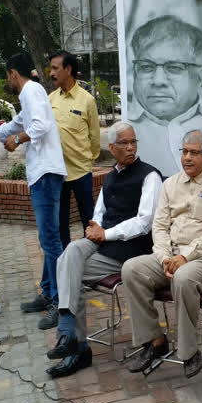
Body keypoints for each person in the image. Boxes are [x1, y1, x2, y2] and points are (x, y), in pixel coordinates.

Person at [46, 122, 162, 378]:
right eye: (124, 143)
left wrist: (105, 233)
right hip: (104, 245)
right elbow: (100, 212)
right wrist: (94, 227)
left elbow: (145, 223)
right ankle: (71, 338)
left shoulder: (150, 176)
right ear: (111, 148)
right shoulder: (110, 176)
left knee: (68, 270)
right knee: (71, 253)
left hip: (131, 252)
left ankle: (75, 345)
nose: (131, 147)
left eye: (133, 142)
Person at [123, 129, 202, 378]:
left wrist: (186, 257)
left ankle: (189, 351)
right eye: (184, 152)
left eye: (194, 153)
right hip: (170, 256)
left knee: (183, 279)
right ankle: (154, 341)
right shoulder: (170, 184)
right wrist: (164, 258)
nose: (187, 158)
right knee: (131, 269)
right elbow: (159, 227)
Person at [0, 53, 67, 329]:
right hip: (42, 173)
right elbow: (18, 123)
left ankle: (60, 302)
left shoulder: (31, 90)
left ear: (13, 73)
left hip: (45, 173)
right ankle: (48, 292)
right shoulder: (30, 94)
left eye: (7, 76)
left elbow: (39, 126)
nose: (7, 81)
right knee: (48, 239)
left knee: (50, 241)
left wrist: (17, 140)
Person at [127, 16, 202, 177]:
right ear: (135, 73)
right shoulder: (126, 132)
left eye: (174, 68)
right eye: (147, 67)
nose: (158, 81)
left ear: (200, 78)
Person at [45, 50, 101, 253]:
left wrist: (88, 160)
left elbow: (95, 137)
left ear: (68, 70)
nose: (51, 73)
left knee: (89, 219)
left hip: (81, 173)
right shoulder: (50, 99)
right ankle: (66, 261)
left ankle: (93, 259)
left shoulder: (86, 100)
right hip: (58, 173)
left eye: (55, 68)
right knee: (60, 223)